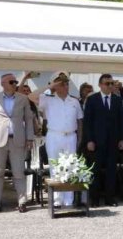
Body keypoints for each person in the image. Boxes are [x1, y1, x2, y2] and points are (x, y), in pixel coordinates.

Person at [26, 72, 83, 209]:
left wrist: (80, 139)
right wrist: (51, 86)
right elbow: (31, 96)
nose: (65, 86)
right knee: (55, 167)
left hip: (71, 136)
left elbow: (80, 121)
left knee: (70, 167)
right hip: (54, 136)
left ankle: (68, 200)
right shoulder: (48, 99)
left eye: (66, 83)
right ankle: (57, 199)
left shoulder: (74, 101)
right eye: (62, 83)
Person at [0, 73, 35, 213]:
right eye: (11, 82)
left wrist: (30, 138)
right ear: (3, 83)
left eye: (15, 82)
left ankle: (22, 201)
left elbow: (29, 119)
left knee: (18, 172)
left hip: (17, 139)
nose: (14, 84)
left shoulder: (23, 98)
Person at [82, 74, 123, 207]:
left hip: (112, 141)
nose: (110, 86)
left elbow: (121, 121)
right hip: (96, 142)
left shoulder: (117, 100)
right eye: (107, 83)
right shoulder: (92, 99)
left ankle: (109, 198)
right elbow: (87, 122)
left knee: (111, 171)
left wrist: (122, 139)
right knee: (95, 171)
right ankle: (94, 199)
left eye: (112, 83)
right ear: (100, 85)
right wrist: (89, 140)